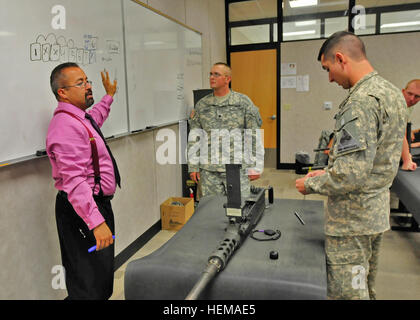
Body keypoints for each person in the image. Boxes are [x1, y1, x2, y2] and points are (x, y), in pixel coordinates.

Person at [295, 31, 407, 300]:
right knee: (364, 288)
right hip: (374, 214)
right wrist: (331, 170)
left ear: (341, 58)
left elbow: (350, 176)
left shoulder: (360, 102)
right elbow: (373, 159)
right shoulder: (391, 93)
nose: (330, 78)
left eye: (328, 68)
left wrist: (309, 182)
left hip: (351, 222)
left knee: (348, 295)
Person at [46, 62, 120, 299]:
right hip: (83, 209)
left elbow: (96, 117)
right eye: (81, 83)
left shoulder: (80, 118)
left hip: (94, 205)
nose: (88, 86)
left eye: (87, 81)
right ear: (62, 92)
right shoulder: (65, 127)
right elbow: (75, 181)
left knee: (99, 275)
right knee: (87, 282)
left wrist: (108, 97)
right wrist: (96, 222)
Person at [187, 62, 263, 198]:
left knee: (240, 209)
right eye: (210, 74)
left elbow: (253, 135)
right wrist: (193, 166)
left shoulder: (243, 103)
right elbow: (195, 137)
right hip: (209, 170)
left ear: (227, 79)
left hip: (236, 168)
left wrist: (255, 165)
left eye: (217, 74)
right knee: (211, 210)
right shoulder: (202, 105)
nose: (212, 77)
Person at [400, 79, 420, 170]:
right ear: (403, 91)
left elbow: (403, 126)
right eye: (409, 94)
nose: (412, 99)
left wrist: (409, 131)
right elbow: (399, 133)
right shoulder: (397, 105)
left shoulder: (409, 106)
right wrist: (407, 159)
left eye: (417, 96)